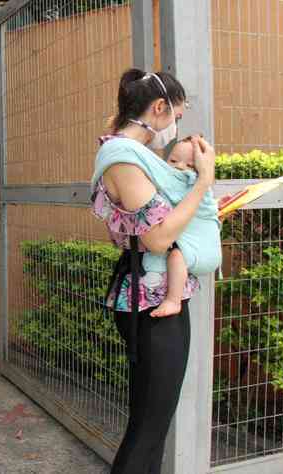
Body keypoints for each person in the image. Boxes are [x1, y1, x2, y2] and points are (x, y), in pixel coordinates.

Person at [90, 68, 223, 474]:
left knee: (153, 423)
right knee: (148, 428)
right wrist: (204, 183)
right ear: (160, 108)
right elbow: (159, 239)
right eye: (176, 117)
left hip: (155, 297)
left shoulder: (132, 156)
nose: (175, 128)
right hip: (149, 303)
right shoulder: (121, 157)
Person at [147, 135, 221, 317]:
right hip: (197, 244)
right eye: (173, 160)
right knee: (173, 253)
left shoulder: (192, 183)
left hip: (204, 250)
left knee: (176, 257)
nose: (180, 167)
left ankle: (173, 300)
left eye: (190, 166)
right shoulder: (175, 182)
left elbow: (200, 207)